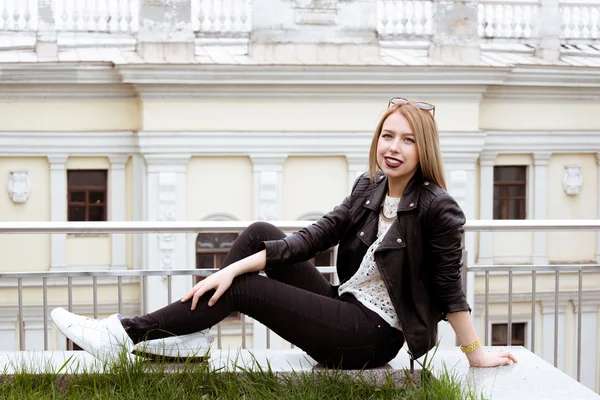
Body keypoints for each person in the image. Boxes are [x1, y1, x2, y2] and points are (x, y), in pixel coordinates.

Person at [52, 97, 517, 369]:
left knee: (244, 289)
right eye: (387, 135)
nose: (393, 148)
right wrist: (234, 264)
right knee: (258, 233)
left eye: (408, 139)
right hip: (345, 306)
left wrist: (474, 353)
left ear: (425, 148)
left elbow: (449, 289)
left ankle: (124, 334)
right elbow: (311, 239)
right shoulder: (368, 189)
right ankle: (190, 338)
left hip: (372, 338)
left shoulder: (439, 208)